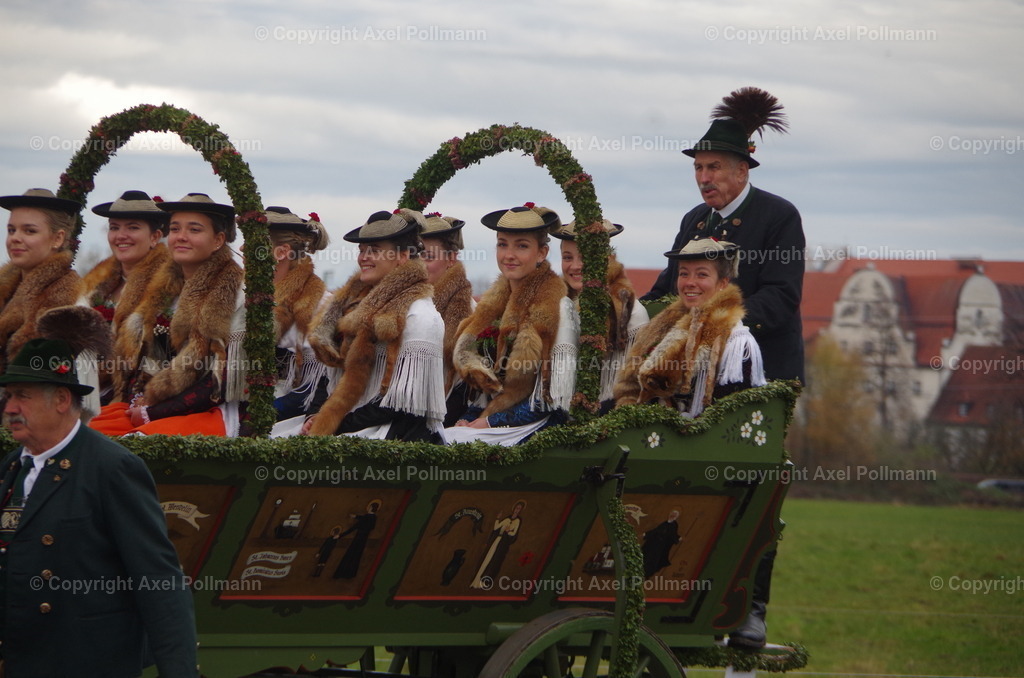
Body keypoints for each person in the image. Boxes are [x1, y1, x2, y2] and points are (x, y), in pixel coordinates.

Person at [0, 338, 197, 677]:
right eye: (9, 396)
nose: (10, 408)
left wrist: (178, 671)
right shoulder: (11, 467)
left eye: (23, 396)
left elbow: (157, 577)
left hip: (86, 663)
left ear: (61, 400)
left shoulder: (111, 467)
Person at [641, 87, 805, 384]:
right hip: (696, 372)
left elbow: (780, 297)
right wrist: (629, 314)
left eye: (713, 167)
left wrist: (714, 323)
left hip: (760, 371)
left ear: (742, 171)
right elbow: (667, 290)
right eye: (698, 168)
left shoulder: (779, 216)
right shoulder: (694, 219)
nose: (704, 178)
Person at [88, 193, 247, 436]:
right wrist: (140, 400)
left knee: (126, 440)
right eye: (175, 229)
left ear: (218, 240)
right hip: (152, 406)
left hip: (210, 409)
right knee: (82, 429)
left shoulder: (238, 294)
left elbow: (227, 380)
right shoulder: (162, 292)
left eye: (194, 230)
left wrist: (155, 412)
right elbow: (149, 359)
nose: (181, 236)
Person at [300, 209, 446, 441]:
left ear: (402, 257)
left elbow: (404, 403)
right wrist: (315, 416)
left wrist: (337, 424)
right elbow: (331, 375)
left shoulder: (420, 315)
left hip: (398, 435)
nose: (363, 258)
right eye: (362, 250)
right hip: (349, 424)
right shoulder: (351, 308)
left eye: (374, 250)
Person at [445, 204, 578, 446]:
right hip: (491, 420)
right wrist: (469, 419)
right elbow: (488, 389)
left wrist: (491, 423)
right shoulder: (492, 307)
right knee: (448, 436)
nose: (509, 255)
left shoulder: (560, 307)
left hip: (539, 427)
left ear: (542, 253)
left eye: (522, 246)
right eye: (502, 244)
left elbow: (555, 398)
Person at [614, 238, 765, 416]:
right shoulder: (663, 329)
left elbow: (729, 418)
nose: (689, 282)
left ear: (722, 283)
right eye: (684, 274)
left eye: (702, 275)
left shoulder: (737, 343)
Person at [79, 190, 170, 404]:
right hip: (85, 387)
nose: (120, 236)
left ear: (155, 237)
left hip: (139, 396)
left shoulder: (167, 286)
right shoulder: (93, 287)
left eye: (133, 227)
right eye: (114, 227)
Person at [553, 218, 649, 410]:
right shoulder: (558, 302)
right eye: (567, 257)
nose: (575, 266)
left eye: (585, 257)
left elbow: (631, 388)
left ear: (606, 258)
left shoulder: (631, 312)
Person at [0, 189, 83, 373]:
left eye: (29, 231)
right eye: (11, 230)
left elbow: (80, 375)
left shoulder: (72, 300)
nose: (15, 238)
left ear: (58, 238)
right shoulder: (6, 291)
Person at [264, 206, 330, 421]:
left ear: (282, 252)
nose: (243, 248)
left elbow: (315, 387)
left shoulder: (321, 305)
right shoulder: (242, 295)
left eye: (254, 243)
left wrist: (258, 414)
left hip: (288, 415)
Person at [418, 212, 475, 426]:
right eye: (415, 256)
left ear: (451, 259)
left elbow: (466, 384)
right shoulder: (404, 304)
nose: (420, 264)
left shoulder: (471, 311)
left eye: (428, 257)